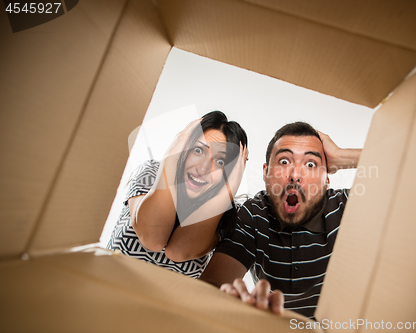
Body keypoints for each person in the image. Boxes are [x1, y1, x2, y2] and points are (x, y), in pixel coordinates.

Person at [199, 121, 361, 319]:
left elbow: (408, 171)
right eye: (284, 161)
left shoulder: (348, 206)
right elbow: (211, 286)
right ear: (266, 173)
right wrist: (228, 302)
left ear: (327, 179)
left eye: (311, 164)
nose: (294, 175)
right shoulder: (254, 215)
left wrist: (344, 157)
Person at [107, 111, 248, 278]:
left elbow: (178, 251)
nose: (202, 169)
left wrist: (229, 190)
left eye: (220, 161)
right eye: (198, 150)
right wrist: (171, 157)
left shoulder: (227, 214)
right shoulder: (152, 173)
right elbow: (153, 239)